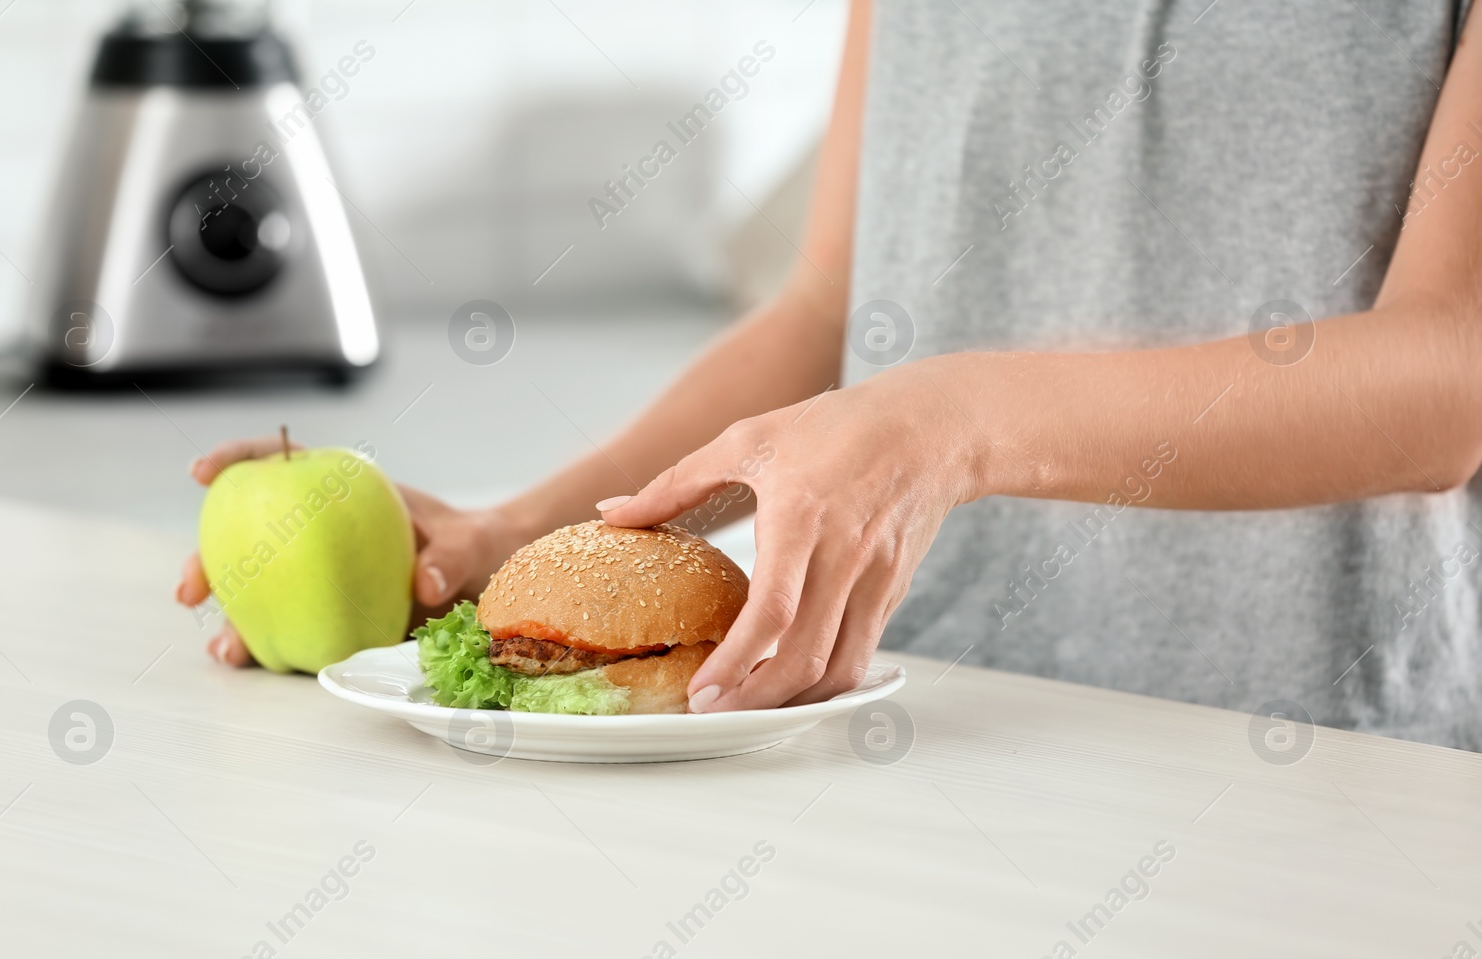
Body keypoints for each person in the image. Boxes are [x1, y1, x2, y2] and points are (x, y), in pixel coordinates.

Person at [178, 0, 1482, 750]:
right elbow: (833, 311)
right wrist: (517, 538)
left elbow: (1450, 376)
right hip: (927, 724)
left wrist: (951, 425)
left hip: (1328, 760)